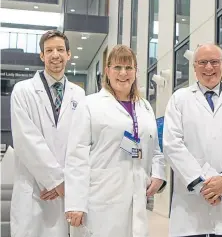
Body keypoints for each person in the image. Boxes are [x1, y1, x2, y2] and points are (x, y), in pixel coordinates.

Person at [64, 45, 166, 237]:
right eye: (117, 67)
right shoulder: (90, 104)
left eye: (129, 68)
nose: (123, 73)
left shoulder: (144, 106)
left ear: (135, 72)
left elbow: (156, 150)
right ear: (107, 71)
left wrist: (159, 174)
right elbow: (76, 156)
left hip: (136, 194)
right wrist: (75, 203)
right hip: (100, 198)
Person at [163, 43, 222, 237]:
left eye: (214, 62)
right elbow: (172, 145)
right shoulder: (179, 99)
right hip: (190, 210)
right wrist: (203, 185)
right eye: (203, 62)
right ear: (194, 67)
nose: (209, 68)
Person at [10, 30, 85, 237]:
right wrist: (57, 182)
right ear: (42, 56)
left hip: (67, 192)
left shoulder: (79, 95)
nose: (55, 55)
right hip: (35, 190)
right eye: (49, 50)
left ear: (68, 54)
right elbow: (26, 140)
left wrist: (66, 184)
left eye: (60, 50)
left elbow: (81, 143)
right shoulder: (22, 91)